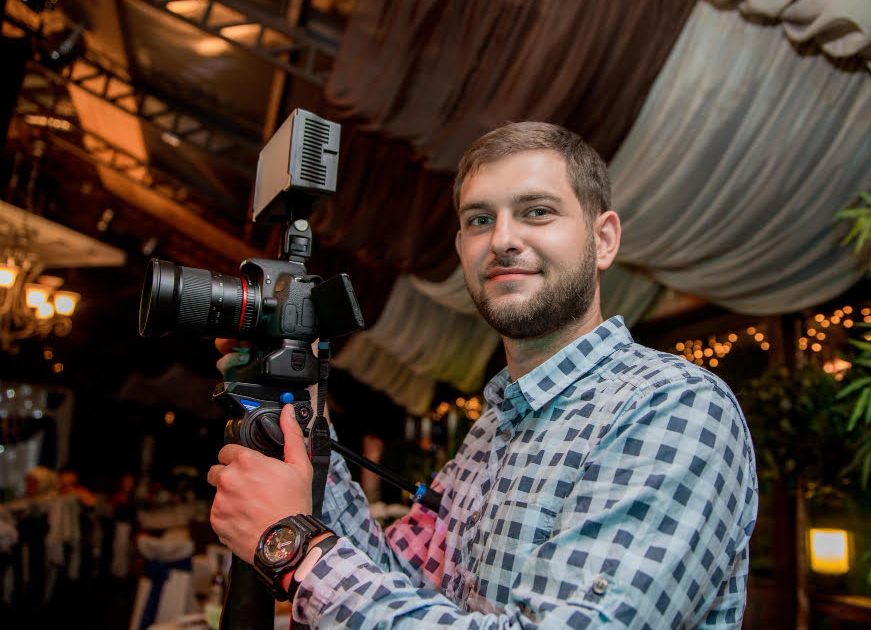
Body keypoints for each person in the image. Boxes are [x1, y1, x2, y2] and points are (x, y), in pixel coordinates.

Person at [207, 122, 758, 628]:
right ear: (461, 248)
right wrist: (301, 418)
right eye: (479, 219)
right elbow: (394, 579)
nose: (502, 239)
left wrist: (293, 548)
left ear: (604, 239)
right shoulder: (492, 432)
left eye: (537, 211)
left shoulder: (674, 408)